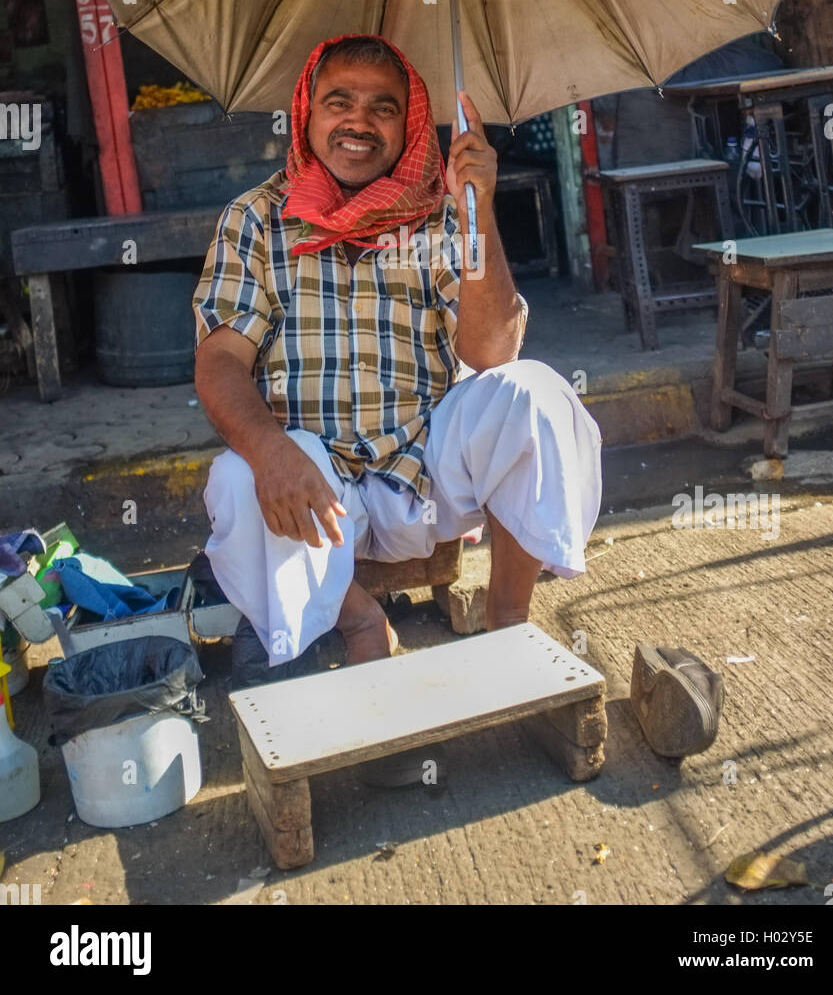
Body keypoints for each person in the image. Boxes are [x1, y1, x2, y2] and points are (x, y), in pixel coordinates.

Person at [193, 34, 602, 677]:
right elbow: (219, 362)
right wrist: (271, 453)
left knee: (535, 393)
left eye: (382, 107)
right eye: (339, 102)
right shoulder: (256, 219)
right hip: (314, 493)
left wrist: (480, 214)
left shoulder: (440, 216)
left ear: (407, 123)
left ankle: (508, 623)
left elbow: (492, 351)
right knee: (237, 479)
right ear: (307, 112)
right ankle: (362, 622)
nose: (359, 121)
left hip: (428, 475)